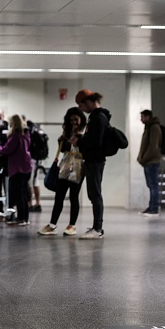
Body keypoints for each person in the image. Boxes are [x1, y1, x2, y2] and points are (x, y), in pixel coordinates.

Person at [38, 107, 87, 236]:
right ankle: (52, 225)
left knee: (73, 196)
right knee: (59, 196)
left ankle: (72, 225)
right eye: (71, 120)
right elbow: (63, 148)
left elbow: (86, 149)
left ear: (81, 118)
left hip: (79, 165)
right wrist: (64, 139)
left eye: (76, 119)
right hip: (65, 164)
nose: (74, 123)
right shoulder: (66, 132)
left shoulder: (85, 131)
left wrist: (79, 138)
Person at [72, 89, 111, 239]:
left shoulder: (98, 118)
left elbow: (96, 141)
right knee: (93, 193)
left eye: (81, 105)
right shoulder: (96, 117)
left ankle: (97, 228)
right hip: (93, 159)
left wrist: (80, 141)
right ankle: (96, 227)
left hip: (95, 160)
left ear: (88, 102)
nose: (81, 109)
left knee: (95, 194)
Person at [0, 114, 33, 226]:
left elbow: (6, 150)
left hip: (17, 168)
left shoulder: (15, 135)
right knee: (23, 193)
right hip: (26, 166)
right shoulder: (26, 133)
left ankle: (21, 218)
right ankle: (25, 218)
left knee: (18, 194)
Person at [137, 109, 162, 217]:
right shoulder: (148, 128)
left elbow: (153, 147)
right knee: (151, 185)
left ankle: (154, 208)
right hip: (148, 161)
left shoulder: (154, 128)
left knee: (153, 185)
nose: (141, 119)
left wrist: (143, 159)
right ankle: (151, 207)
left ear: (148, 117)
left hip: (152, 161)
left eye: (142, 117)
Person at [22, 115, 43, 212]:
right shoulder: (34, 129)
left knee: (29, 182)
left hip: (31, 159)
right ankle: (37, 203)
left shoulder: (27, 131)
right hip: (36, 159)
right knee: (35, 182)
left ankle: (30, 204)